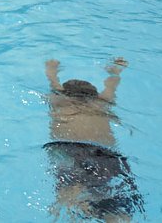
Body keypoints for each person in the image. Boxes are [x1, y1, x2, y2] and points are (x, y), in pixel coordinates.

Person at [44, 58, 144, 220]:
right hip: (106, 156)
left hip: (70, 151)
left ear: (65, 93)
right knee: (115, 208)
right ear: (95, 94)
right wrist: (116, 70)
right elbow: (111, 85)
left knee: (69, 201)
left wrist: (52, 70)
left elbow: (53, 83)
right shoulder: (102, 103)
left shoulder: (60, 102)